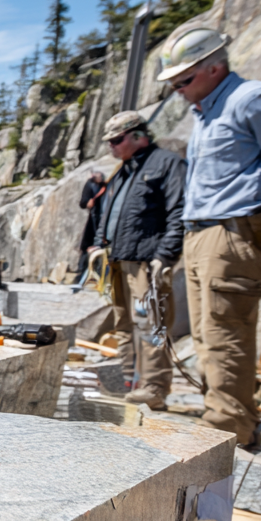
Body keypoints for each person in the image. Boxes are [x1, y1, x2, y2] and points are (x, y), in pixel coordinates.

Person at [158, 25, 261, 447]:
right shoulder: (208, 113)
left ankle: (227, 431)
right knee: (204, 335)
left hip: (233, 233)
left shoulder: (252, 100)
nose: (178, 91)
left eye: (184, 80)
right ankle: (227, 415)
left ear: (215, 67)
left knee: (225, 333)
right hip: (203, 234)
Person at [94, 111, 186, 409]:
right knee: (124, 322)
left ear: (138, 135)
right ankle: (127, 380)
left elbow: (179, 211)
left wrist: (165, 255)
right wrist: (98, 244)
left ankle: (154, 386)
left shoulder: (167, 164)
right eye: (109, 142)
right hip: (119, 259)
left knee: (151, 322)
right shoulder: (123, 171)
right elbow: (109, 213)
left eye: (117, 140)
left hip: (147, 260)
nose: (112, 146)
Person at [72, 170, 105, 289]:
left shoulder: (107, 185)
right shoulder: (90, 184)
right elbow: (83, 203)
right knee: (88, 248)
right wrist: (88, 203)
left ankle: (100, 276)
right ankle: (82, 275)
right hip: (94, 221)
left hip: (104, 220)